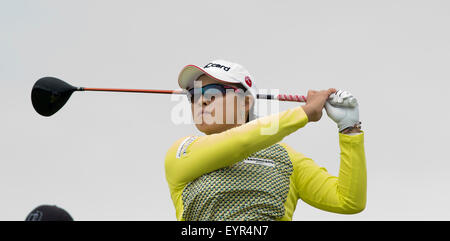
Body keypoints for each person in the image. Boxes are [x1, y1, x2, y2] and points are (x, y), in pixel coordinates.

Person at [165, 59, 366, 221]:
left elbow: (348, 201)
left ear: (245, 102)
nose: (202, 100)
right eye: (193, 95)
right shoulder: (183, 150)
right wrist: (304, 112)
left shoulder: (286, 158)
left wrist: (350, 129)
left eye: (213, 92)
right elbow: (238, 143)